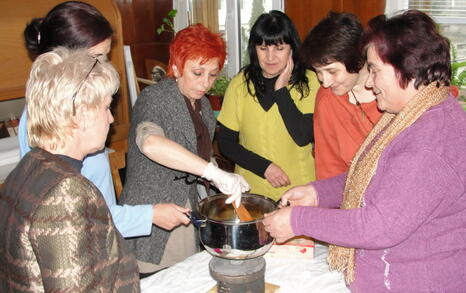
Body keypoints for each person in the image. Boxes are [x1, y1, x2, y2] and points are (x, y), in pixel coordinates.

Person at [263, 10, 466, 292]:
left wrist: (299, 221)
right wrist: (318, 193)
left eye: (374, 70)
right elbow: (374, 180)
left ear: (403, 68)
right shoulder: (411, 116)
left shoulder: (429, 140)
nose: (369, 82)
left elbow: (380, 225)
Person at [20, 1, 192, 239]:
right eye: (97, 58)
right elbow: (83, 222)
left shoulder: (73, 117)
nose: (105, 67)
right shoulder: (48, 125)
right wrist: (149, 215)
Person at [0, 47, 140, 291]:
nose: (111, 119)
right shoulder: (66, 192)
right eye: (107, 107)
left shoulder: (28, 166)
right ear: (83, 114)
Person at [120, 23, 249, 274]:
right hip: (151, 215)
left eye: (212, 74)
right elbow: (150, 143)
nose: (205, 83)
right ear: (177, 68)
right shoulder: (155, 98)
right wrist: (213, 173)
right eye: (197, 73)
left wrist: (218, 173)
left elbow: (196, 152)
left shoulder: (200, 105)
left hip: (184, 210)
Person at [217, 10, 320, 201]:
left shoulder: (311, 82)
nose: (270, 57)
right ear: (254, 49)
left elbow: (303, 136)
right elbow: (226, 143)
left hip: (299, 191)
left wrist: (281, 91)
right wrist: (264, 167)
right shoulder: (240, 85)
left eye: (279, 48)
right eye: (263, 48)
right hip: (251, 191)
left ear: (292, 48)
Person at [300, 12, 382, 180]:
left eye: (332, 71)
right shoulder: (327, 99)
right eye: (318, 72)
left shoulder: (394, 92)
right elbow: (329, 170)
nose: (325, 82)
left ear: (357, 59)